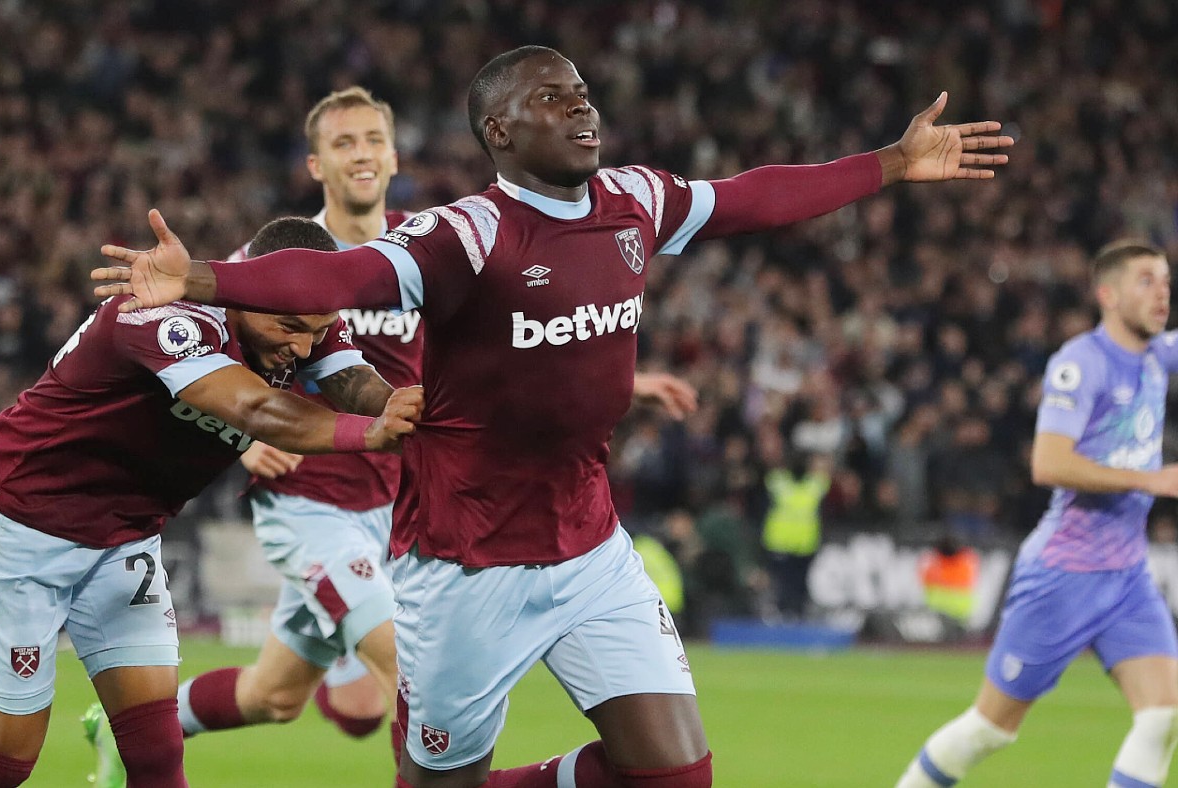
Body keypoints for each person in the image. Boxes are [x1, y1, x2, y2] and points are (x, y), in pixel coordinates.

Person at [92, 45, 1011, 788]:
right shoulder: (466, 235)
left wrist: (891, 164)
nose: (581, 107)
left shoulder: (634, 201)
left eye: (581, 92)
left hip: (589, 546)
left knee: (677, 773)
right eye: (551, 97)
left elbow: (752, 197)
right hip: (465, 562)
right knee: (425, 770)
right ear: (499, 130)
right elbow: (342, 274)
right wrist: (200, 278)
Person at [83, 84, 703, 788]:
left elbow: (515, 337)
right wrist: (243, 435)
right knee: (405, 667)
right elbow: (212, 358)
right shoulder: (279, 257)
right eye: (343, 143)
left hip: (407, 503)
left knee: (274, 696)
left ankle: (123, 727)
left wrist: (624, 381)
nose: (362, 154)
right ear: (315, 164)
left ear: (394, 154)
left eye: (373, 139)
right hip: (312, 509)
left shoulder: (435, 242)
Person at [0, 217, 423, 788]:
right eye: (291, 327)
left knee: (156, 752)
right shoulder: (163, 316)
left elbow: (351, 381)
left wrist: (410, 410)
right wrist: (373, 434)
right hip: (21, 519)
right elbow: (256, 410)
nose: (303, 346)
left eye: (318, 330)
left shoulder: (303, 323)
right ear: (249, 287)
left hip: (124, 533)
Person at [895, 242, 1178, 788]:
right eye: (1146, 281)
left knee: (1162, 716)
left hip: (1127, 578)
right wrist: (1150, 479)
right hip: (1063, 576)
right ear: (1108, 294)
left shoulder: (1155, 357)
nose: (1162, 293)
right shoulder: (1081, 364)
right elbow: (1048, 463)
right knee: (990, 729)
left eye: (1166, 281)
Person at [761, 453, 831, 620]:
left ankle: (797, 614)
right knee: (781, 583)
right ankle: (779, 612)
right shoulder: (777, 481)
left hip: (803, 544)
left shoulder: (816, 484)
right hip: (780, 542)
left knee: (799, 584)